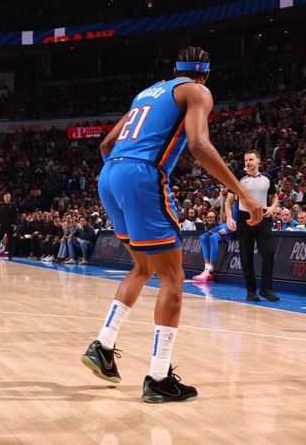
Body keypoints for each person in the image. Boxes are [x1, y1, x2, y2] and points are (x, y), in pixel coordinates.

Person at [81, 46, 263, 403]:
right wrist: (242, 193)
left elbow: (106, 144)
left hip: (111, 173)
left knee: (143, 266)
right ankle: (159, 376)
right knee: (173, 279)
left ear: (174, 68)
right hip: (141, 175)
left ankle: (103, 345)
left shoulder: (148, 92)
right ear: (207, 74)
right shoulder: (197, 91)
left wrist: (122, 176)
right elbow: (198, 144)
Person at [225, 151, 279, 301]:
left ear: (259, 161)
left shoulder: (267, 177)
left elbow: (274, 197)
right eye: (245, 160)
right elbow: (229, 200)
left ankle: (266, 289)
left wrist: (272, 208)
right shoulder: (239, 177)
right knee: (246, 255)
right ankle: (251, 291)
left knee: (268, 252)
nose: (247, 162)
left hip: (263, 217)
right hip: (244, 218)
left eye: (251, 159)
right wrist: (229, 217)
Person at [193, 193, 238, 282]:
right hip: (226, 224)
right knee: (203, 237)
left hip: (235, 224)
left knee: (214, 238)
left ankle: (210, 271)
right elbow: (223, 213)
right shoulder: (227, 199)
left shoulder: (239, 199)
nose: (223, 190)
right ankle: (206, 269)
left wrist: (228, 229)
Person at [0, 192, 18, 260]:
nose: (7, 198)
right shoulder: (0, 205)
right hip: (2, 226)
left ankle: (10, 256)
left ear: (10, 198)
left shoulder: (13, 205)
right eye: (6, 197)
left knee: (10, 242)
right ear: (4, 198)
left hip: (10, 226)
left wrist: (14, 223)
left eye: (8, 197)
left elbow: (16, 215)